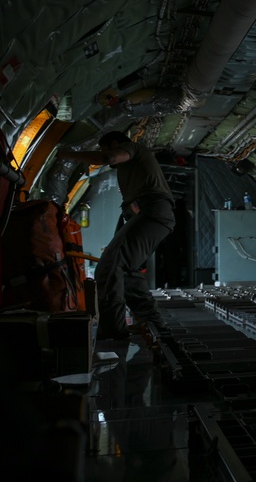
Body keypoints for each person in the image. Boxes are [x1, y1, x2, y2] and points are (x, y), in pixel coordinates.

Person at [60, 131, 175, 340]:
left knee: (109, 267)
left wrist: (68, 154)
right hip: (150, 215)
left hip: (153, 213)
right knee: (127, 270)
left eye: (105, 148)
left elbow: (109, 158)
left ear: (114, 144)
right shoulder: (128, 170)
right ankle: (155, 325)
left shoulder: (134, 149)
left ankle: (113, 329)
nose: (106, 156)